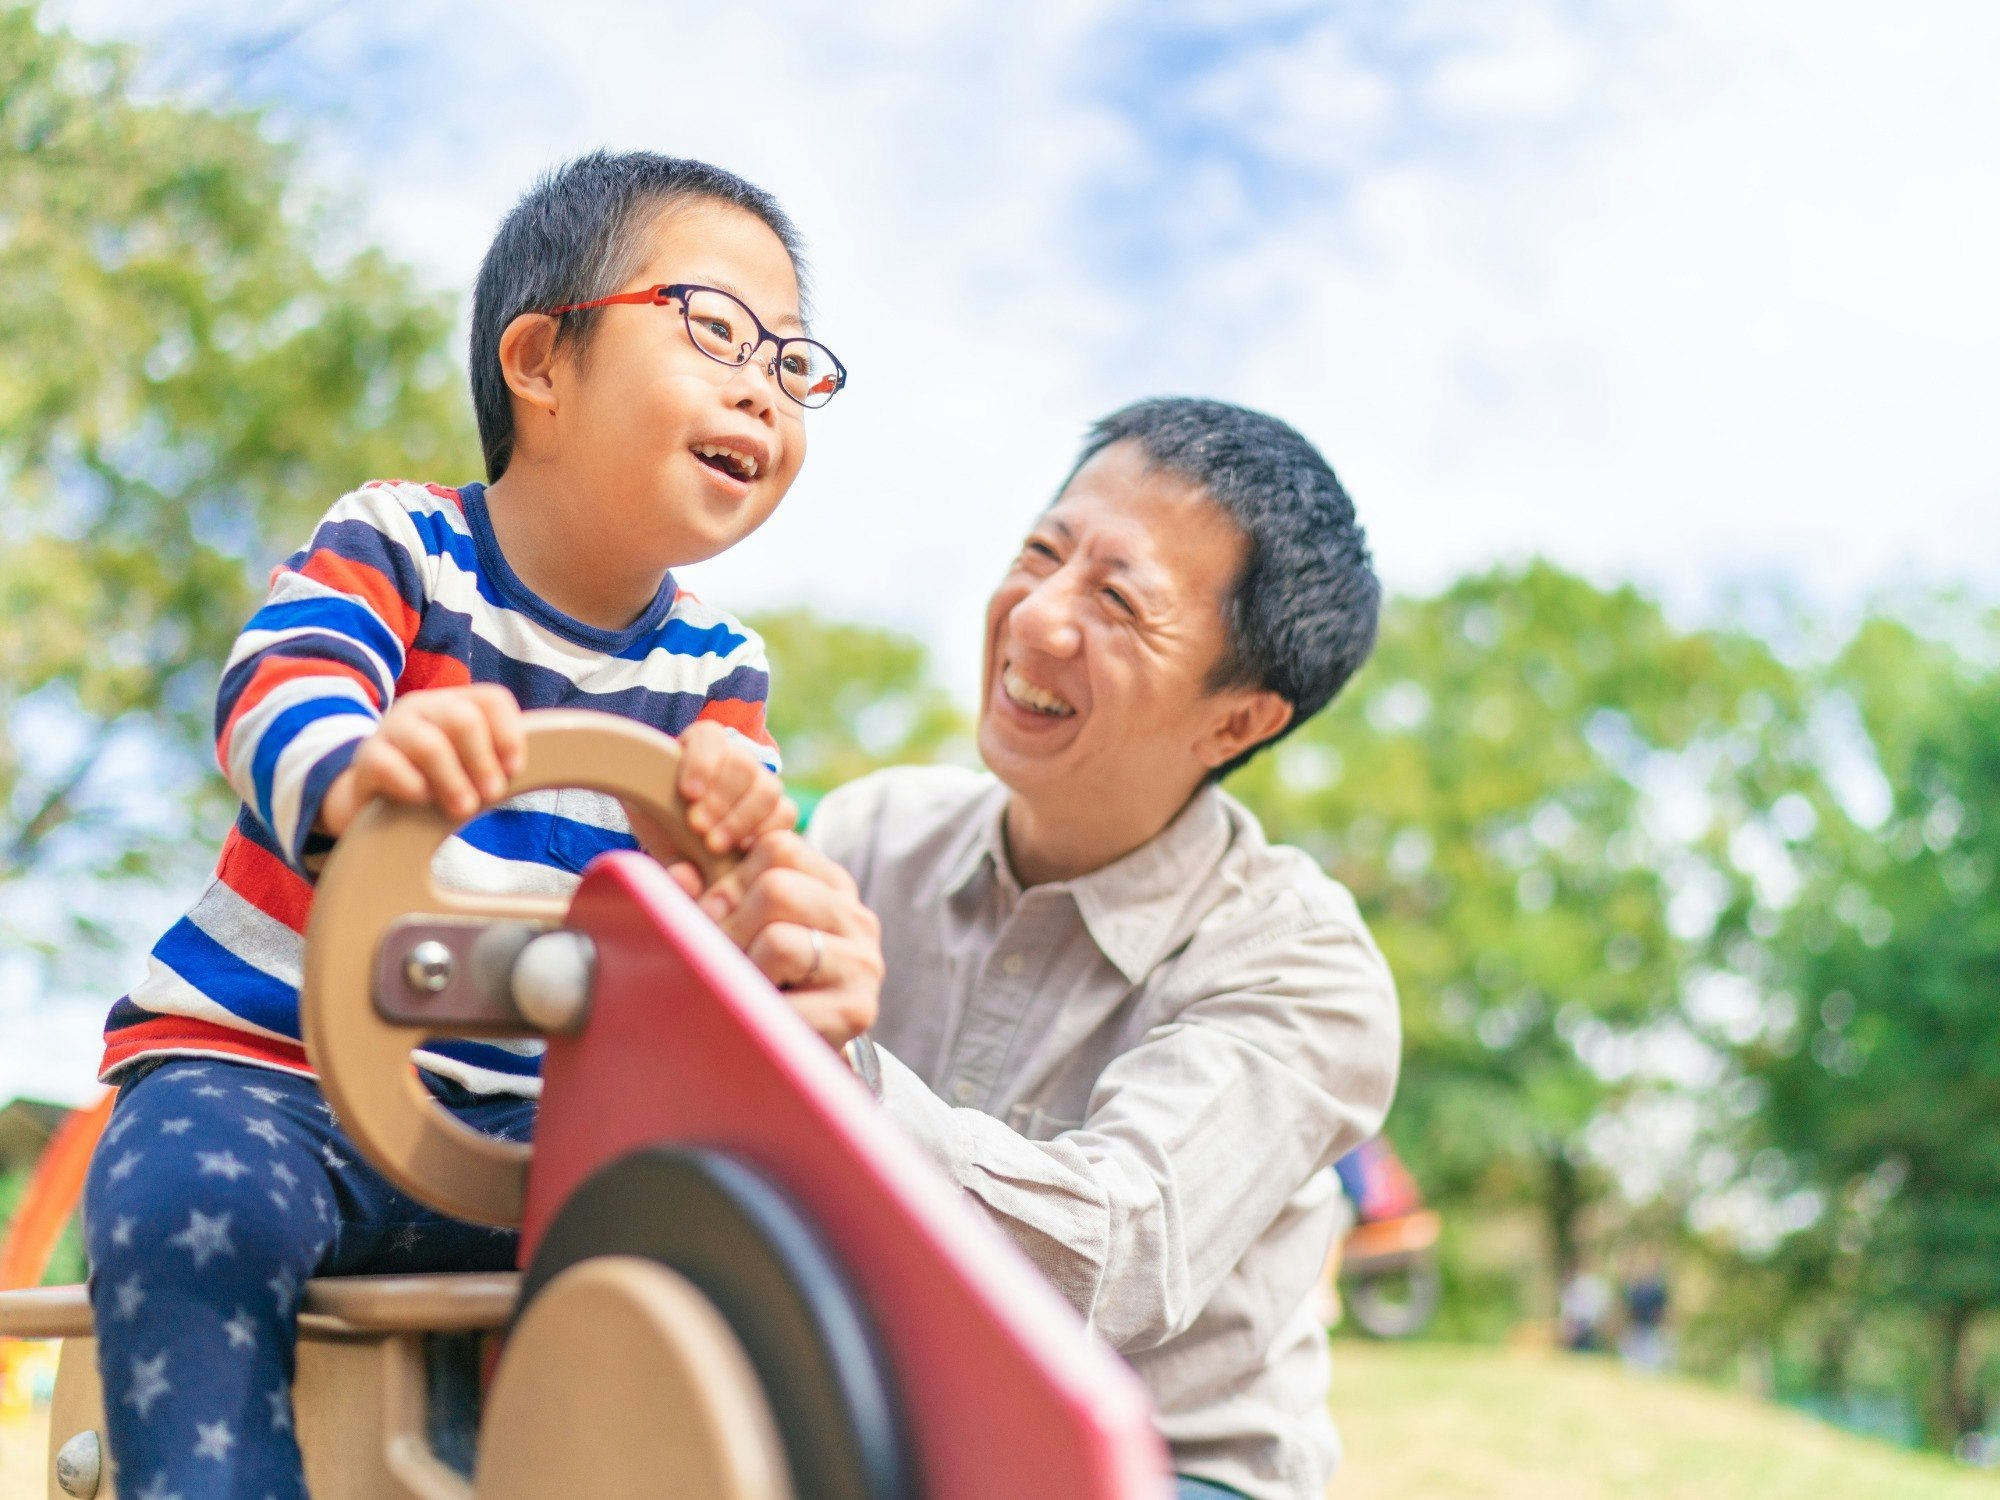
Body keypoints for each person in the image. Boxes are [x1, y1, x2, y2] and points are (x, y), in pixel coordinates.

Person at [80, 150, 849, 1500]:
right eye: (718, 330)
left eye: (793, 363)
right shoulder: (401, 547)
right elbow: (279, 684)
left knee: (716, 1274)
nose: (759, 386)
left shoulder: (719, 670)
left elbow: (726, 906)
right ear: (542, 362)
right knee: (179, 1214)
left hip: (535, 1138)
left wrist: (731, 851)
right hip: (276, 1076)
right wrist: (365, 762)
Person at [787, 397, 1402, 1500]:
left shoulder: (1303, 968)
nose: (1035, 620)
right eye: (1040, 552)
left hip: (1162, 1474)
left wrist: (818, 1073)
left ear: (1236, 723)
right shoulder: (868, 836)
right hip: (889, 1426)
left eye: (1118, 601)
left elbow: (1102, 1257)